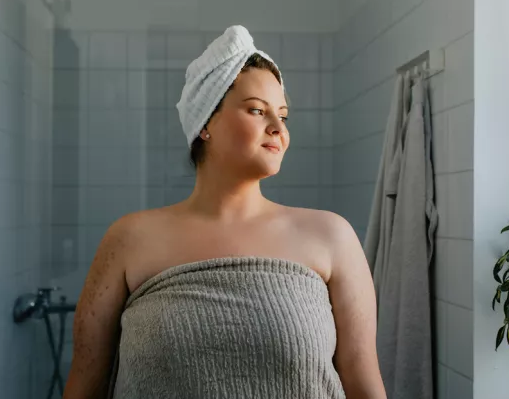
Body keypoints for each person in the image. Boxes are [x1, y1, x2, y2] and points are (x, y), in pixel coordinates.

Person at [63, 25, 386, 399]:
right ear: (205, 124)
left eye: (283, 115)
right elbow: (84, 386)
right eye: (256, 110)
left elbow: (364, 383)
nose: (278, 129)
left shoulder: (331, 237)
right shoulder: (129, 240)